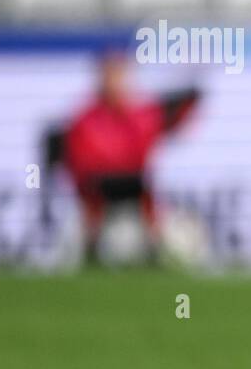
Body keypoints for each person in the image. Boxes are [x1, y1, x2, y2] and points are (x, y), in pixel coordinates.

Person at [62, 49, 200, 264]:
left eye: (119, 74)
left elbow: (176, 116)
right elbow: (81, 169)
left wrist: (193, 81)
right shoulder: (85, 121)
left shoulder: (142, 115)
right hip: (98, 203)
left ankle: (155, 250)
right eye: (110, 74)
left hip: (139, 202)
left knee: (171, 233)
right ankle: (93, 249)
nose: (115, 81)